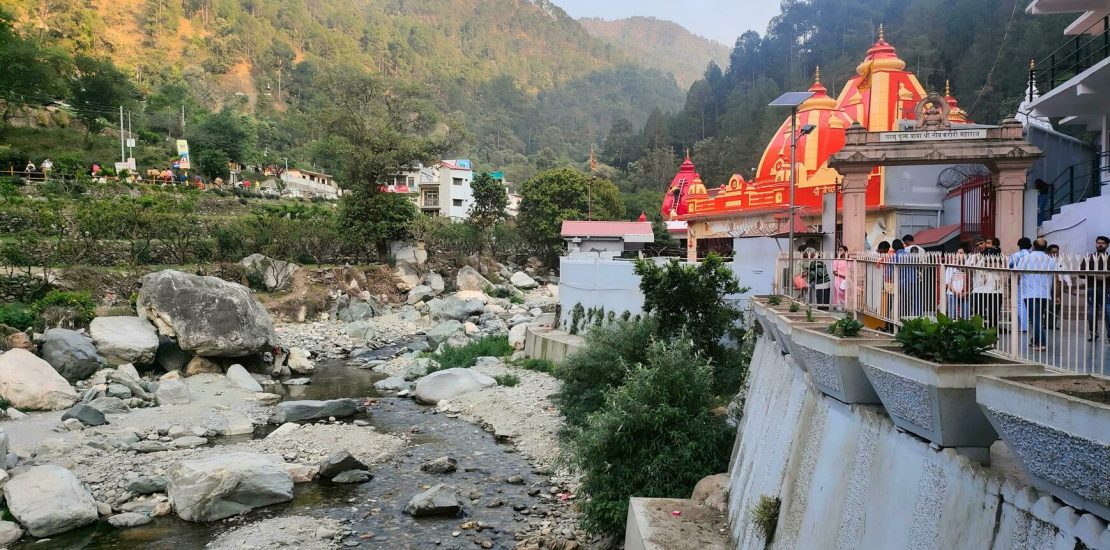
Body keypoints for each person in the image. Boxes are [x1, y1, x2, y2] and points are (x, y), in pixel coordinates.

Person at [1018, 239, 1055, 352]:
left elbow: (1017, 273)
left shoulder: (1026, 258)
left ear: (1033, 246)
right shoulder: (1051, 260)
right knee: (1039, 317)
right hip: (1045, 294)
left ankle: (1041, 343)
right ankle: (1035, 339)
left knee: (1035, 319)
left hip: (1030, 294)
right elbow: (1055, 277)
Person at [1079, 236, 1110, 342]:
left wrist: (1106, 276)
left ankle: (1109, 335)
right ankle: (1093, 334)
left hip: (1107, 288)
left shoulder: (1109, 258)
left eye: (1103, 243)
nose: (1100, 245)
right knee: (1092, 313)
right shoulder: (1089, 258)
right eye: (1098, 243)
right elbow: (1081, 273)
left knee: (1108, 312)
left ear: (1107, 245)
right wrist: (1096, 276)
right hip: (1092, 288)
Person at [970, 246, 1004, 329]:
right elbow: (969, 270)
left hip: (996, 291)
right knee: (978, 315)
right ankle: (978, 333)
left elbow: (1003, 268)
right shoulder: (975, 258)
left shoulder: (1000, 260)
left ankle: (993, 334)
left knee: (994, 315)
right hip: (979, 291)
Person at [1010, 237, 1033, 332]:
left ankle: (1023, 326)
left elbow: (1010, 266)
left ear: (1019, 245)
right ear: (1030, 246)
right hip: (1032, 281)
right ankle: (1024, 324)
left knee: (1020, 303)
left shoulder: (1016, 255)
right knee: (1027, 302)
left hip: (1019, 280)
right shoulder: (1032, 255)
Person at [1047, 244, 1071, 329]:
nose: (1055, 254)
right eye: (1053, 252)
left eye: (1057, 252)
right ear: (1049, 252)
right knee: (1048, 305)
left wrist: (1069, 283)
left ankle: (1052, 323)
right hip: (1047, 285)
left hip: (1058, 285)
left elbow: (1065, 273)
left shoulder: (1060, 260)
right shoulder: (1045, 260)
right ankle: (1046, 323)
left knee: (1057, 304)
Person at [945, 244, 970, 319]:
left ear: (965, 255)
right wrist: (955, 292)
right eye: (958, 252)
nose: (959, 254)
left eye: (961, 253)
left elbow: (971, 281)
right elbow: (947, 282)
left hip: (965, 294)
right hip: (952, 293)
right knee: (952, 316)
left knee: (965, 317)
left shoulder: (969, 266)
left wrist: (967, 292)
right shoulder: (951, 266)